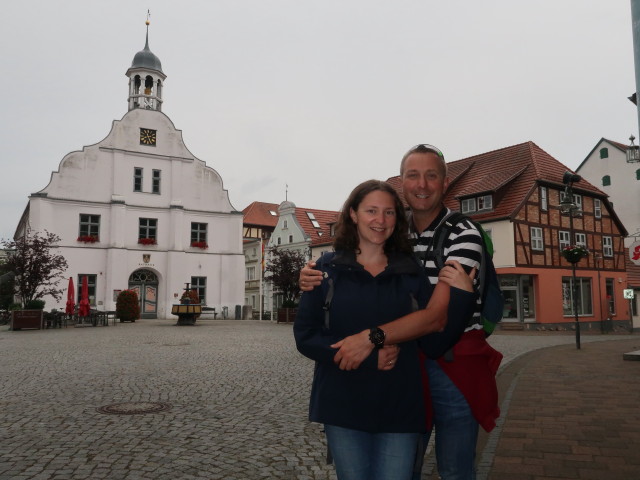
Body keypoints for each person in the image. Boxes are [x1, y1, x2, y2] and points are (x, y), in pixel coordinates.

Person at [299, 145, 503, 480]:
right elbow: (356, 263)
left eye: (431, 175)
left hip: (452, 360)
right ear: (403, 182)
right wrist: (314, 274)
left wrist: (371, 338)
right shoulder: (394, 228)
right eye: (413, 175)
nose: (422, 184)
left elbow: (437, 317)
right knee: (405, 467)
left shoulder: (463, 234)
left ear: (445, 183)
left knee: (454, 468)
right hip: (407, 362)